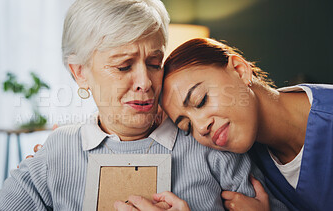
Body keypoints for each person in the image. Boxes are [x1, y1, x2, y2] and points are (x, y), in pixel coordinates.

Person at [0, 1, 287, 210]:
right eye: (124, 66)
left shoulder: (210, 142)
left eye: (155, 62)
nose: (146, 81)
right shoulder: (57, 151)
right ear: (80, 73)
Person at [123, 38, 331, 210]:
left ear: (240, 70)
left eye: (200, 100)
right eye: (188, 127)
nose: (201, 128)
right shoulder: (243, 164)